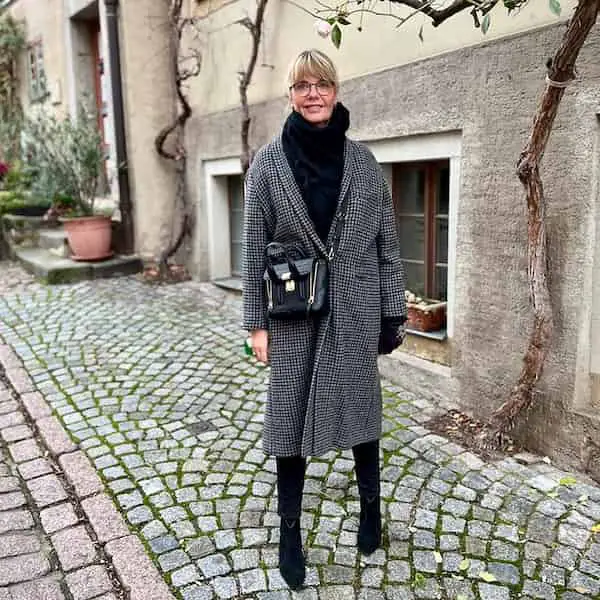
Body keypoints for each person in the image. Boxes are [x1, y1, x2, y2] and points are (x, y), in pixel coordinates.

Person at [242, 48, 407, 590]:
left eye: (323, 84)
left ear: (336, 91)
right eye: (302, 85)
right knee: (287, 419)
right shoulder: (268, 164)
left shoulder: (363, 163)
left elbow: (387, 242)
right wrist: (256, 324)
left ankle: (370, 510)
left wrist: (392, 310)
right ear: (290, 94)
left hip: (357, 309)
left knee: (362, 412)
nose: (313, 94)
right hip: (292, 313)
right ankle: (290, 530)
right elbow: (253, 247)